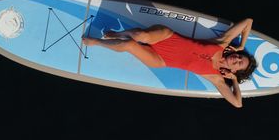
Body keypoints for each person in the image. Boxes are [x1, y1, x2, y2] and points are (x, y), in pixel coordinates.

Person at [82, 18, 257, 108]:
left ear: (235, 70)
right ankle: (119, 34)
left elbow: (238, 103)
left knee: (129, 45)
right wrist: (241, 44)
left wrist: (233, 81)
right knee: (139, 36)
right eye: (240, 56)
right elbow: (248, 21)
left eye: (239, 63)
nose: (237, 58)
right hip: (168, 37)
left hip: (162, 60)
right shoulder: (223, 42)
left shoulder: (216, 78)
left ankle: (96, 42)